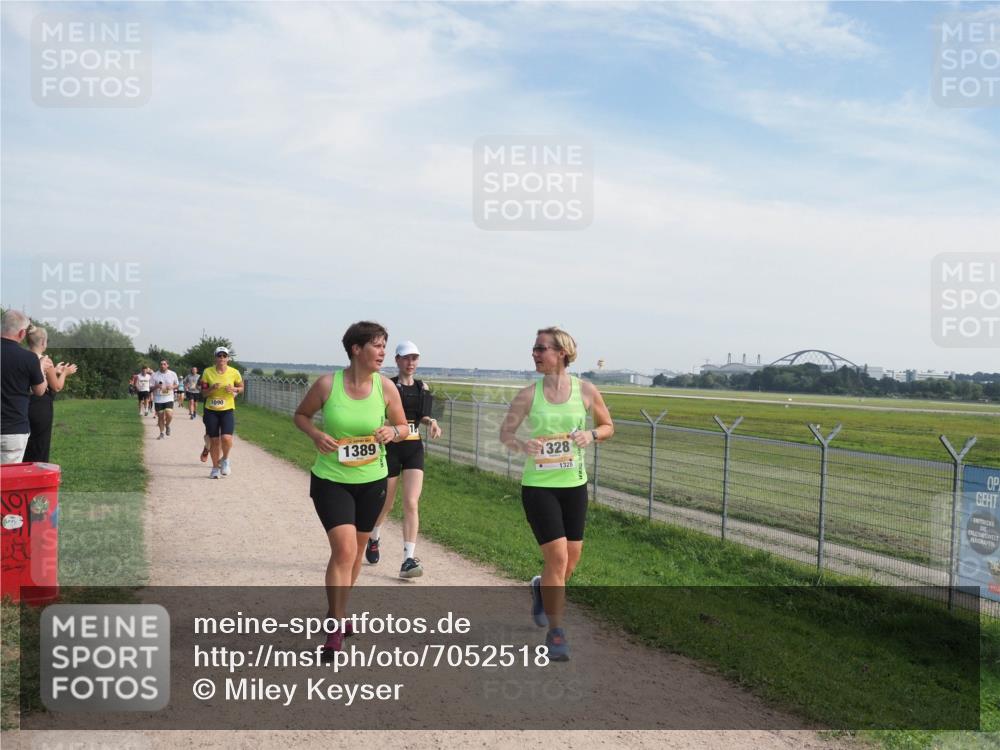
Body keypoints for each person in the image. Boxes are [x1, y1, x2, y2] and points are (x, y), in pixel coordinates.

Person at [500, 327, 613, 662]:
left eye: (541, 348)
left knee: (571, 560)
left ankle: (541, 588)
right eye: (533, 349)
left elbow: (608, 426)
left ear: (561, 352)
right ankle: (556, 631)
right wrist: (523, 444)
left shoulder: (587, 391)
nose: (535, 354)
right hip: (539, 487)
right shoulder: (527, 395)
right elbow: (506, 433)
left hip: (574, 485)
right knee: (558, 558)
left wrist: (591, 435)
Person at [293, 321, 408, 653]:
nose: (384, 352)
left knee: (356, 553)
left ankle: (338, 611)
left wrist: (393, 433)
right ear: (356, 349)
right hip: (332, 480)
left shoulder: (386, 387)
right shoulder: (328, 384)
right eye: (377, 345)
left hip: (372, 481)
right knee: (343, 550)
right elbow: (301, 416)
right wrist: (316, 435)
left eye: (385, 346)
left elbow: (402, 426)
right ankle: (335, 629)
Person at [366, 340, 442, 578]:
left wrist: (432, 422)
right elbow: (379, 415)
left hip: (413, 448)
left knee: (411, 502)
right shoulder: (387, 386)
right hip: (391, 448)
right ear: (397, 360)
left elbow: (423, 416)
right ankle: (374, 536)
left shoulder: (422, 387)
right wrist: (389, 427)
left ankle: (408, 559)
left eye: (415, 358)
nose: (411, 363)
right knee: (386, 504)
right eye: (406, 358)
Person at [23, 326, 78, 463]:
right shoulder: (46, 361)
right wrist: (65, 373)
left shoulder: (23, 358)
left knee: (25, 443)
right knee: (39, 444)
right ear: (43, 342)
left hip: (23, 405)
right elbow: (57, 386)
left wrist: (55, 371)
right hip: (40, 407)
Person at [0, 311, 46, 464]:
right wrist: (40, 368)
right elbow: (39, 390)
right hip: (13, 430)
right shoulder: (29, 358)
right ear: (21, 333)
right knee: (7, 483)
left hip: (13, 430)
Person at [200, 347, 243, 478]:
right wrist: (212, 389)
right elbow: (203, 393)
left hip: (227, 409)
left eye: (225, 356)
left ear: (228, 359)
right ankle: (214, 469)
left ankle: (225, 459)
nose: (222, 358)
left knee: (226, 438)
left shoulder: (234, 372)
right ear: (215, 358)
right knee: (214, 441)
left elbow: (241, 388)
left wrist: (234, 389)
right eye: (219, 356)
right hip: (211, 410)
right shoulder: (207, 372)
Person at [150, 360, 180, 439]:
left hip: (169, 397)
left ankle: (167, 425)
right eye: (161, 364)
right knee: (160, 417)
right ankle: (161, 433)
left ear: (167, 365)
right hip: (158, 398)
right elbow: (150, 388)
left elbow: (177, 384)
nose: (162, 365)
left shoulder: (173, 374)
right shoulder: (154, 375)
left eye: (164, 364)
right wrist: (156, 386)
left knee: (169, 414)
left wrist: (172, 387)